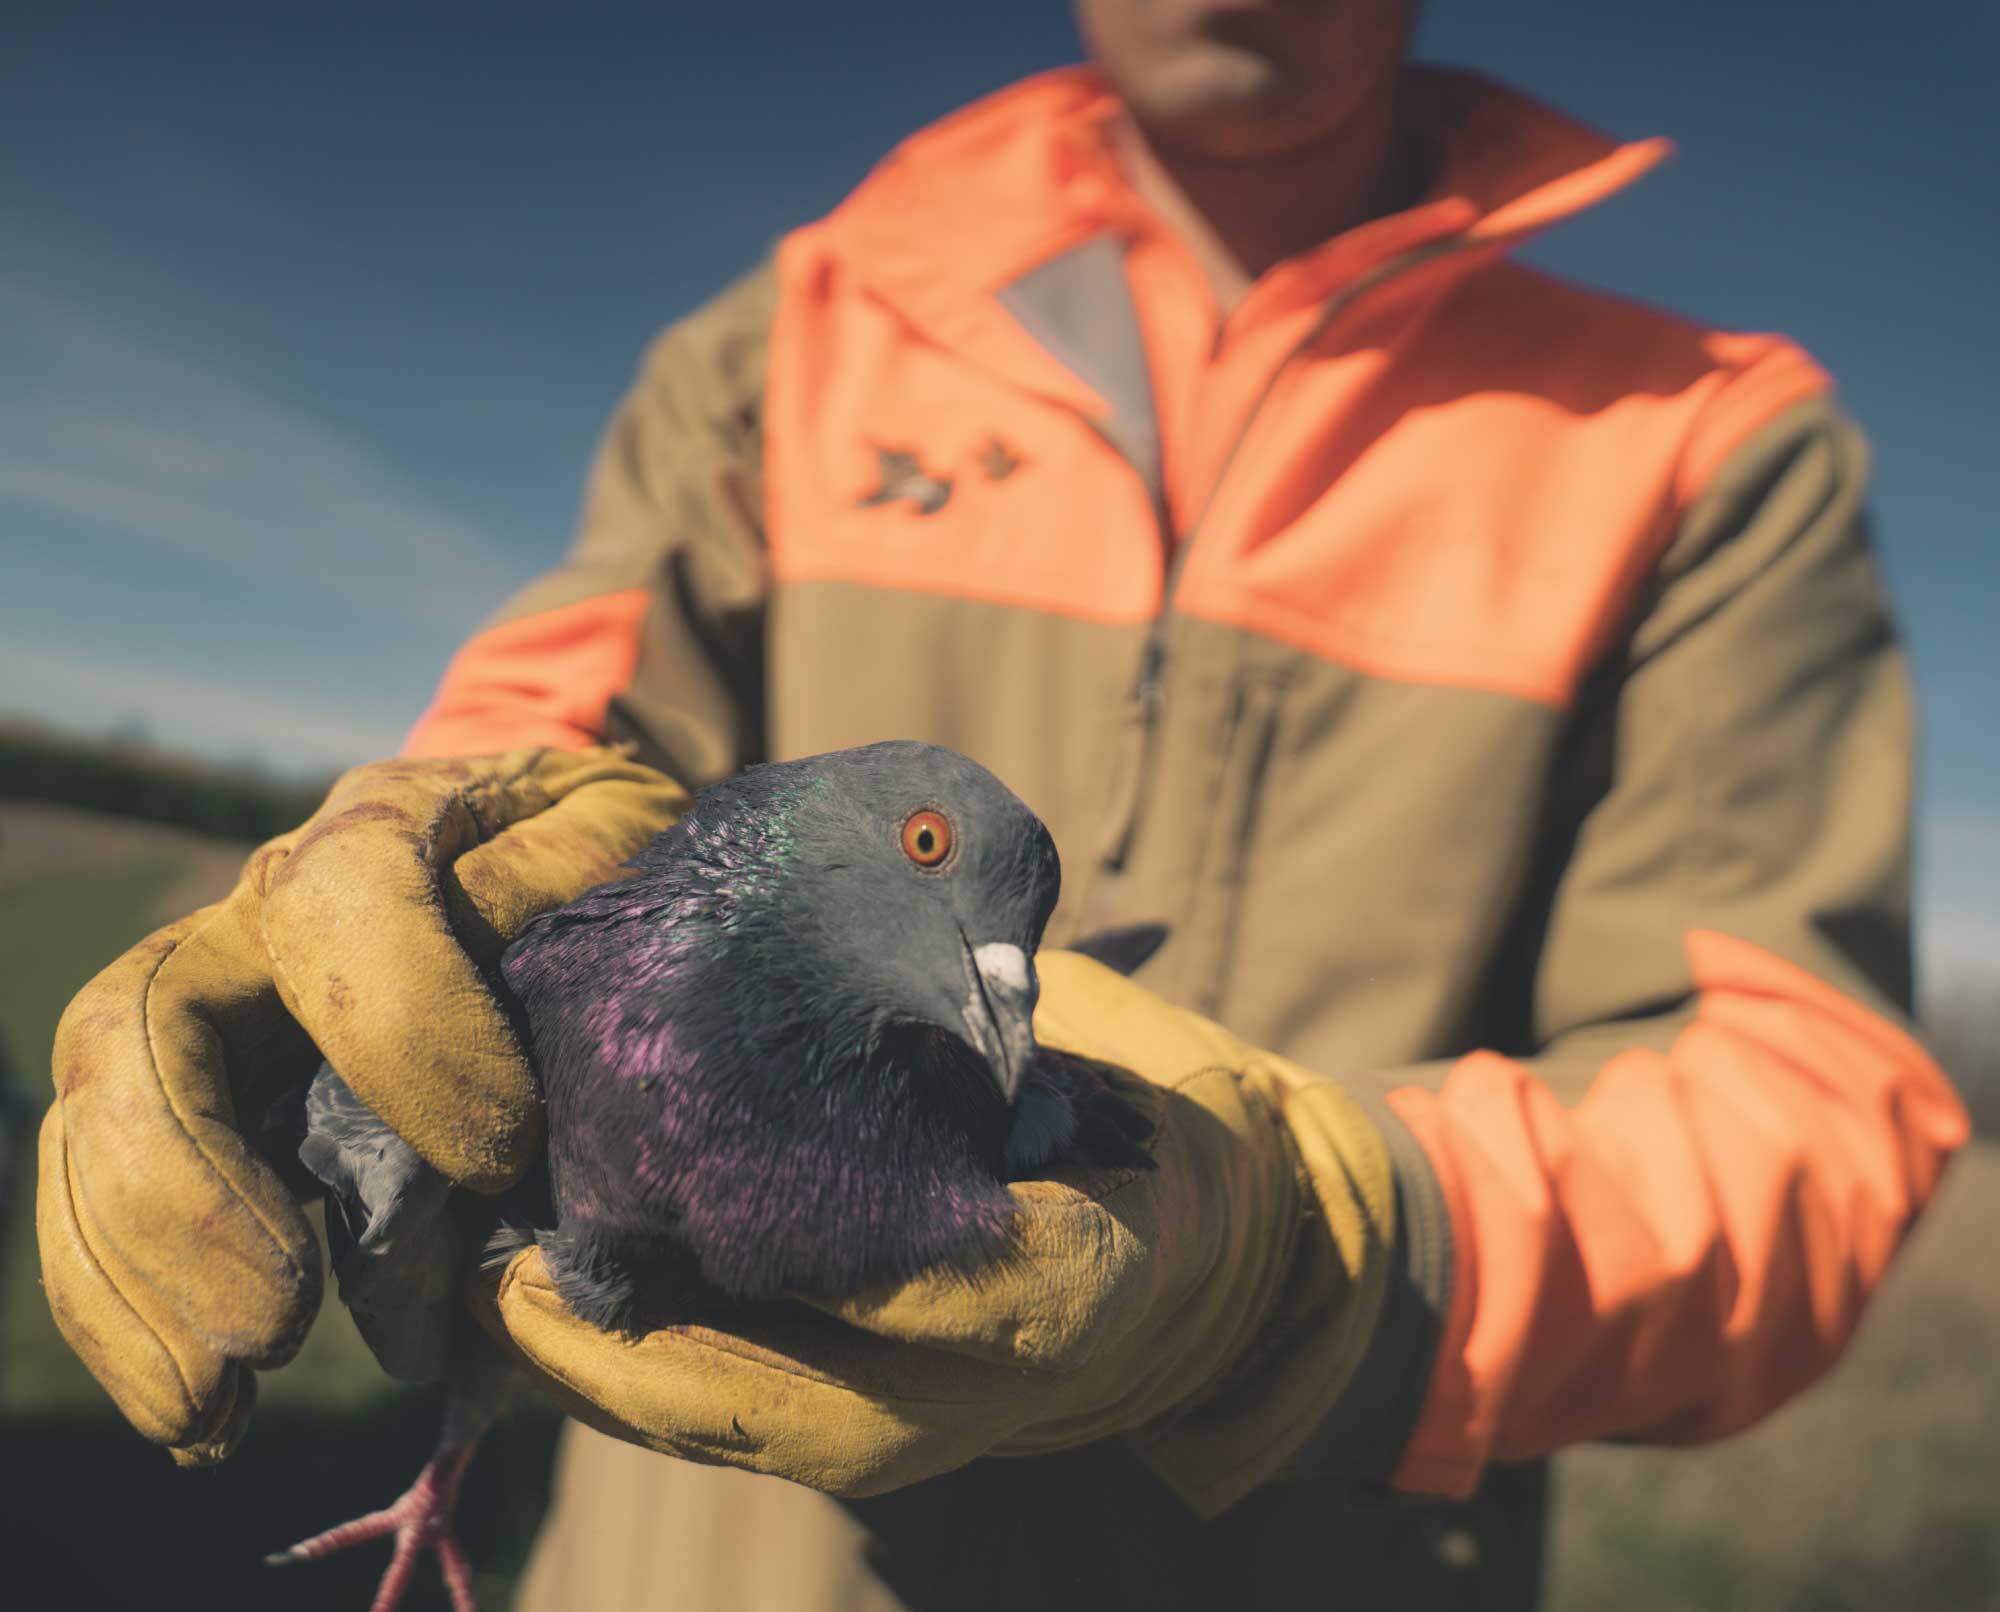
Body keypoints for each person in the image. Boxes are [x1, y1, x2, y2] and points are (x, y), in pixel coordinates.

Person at [38, 3, 1970, 1608]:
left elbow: (1798, 1112)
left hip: (1312, 1556)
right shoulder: (800, 332)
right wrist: (430, 850)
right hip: (706, 1553)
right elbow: (552, 728)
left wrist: (1311, 1261)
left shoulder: (1704, 439)